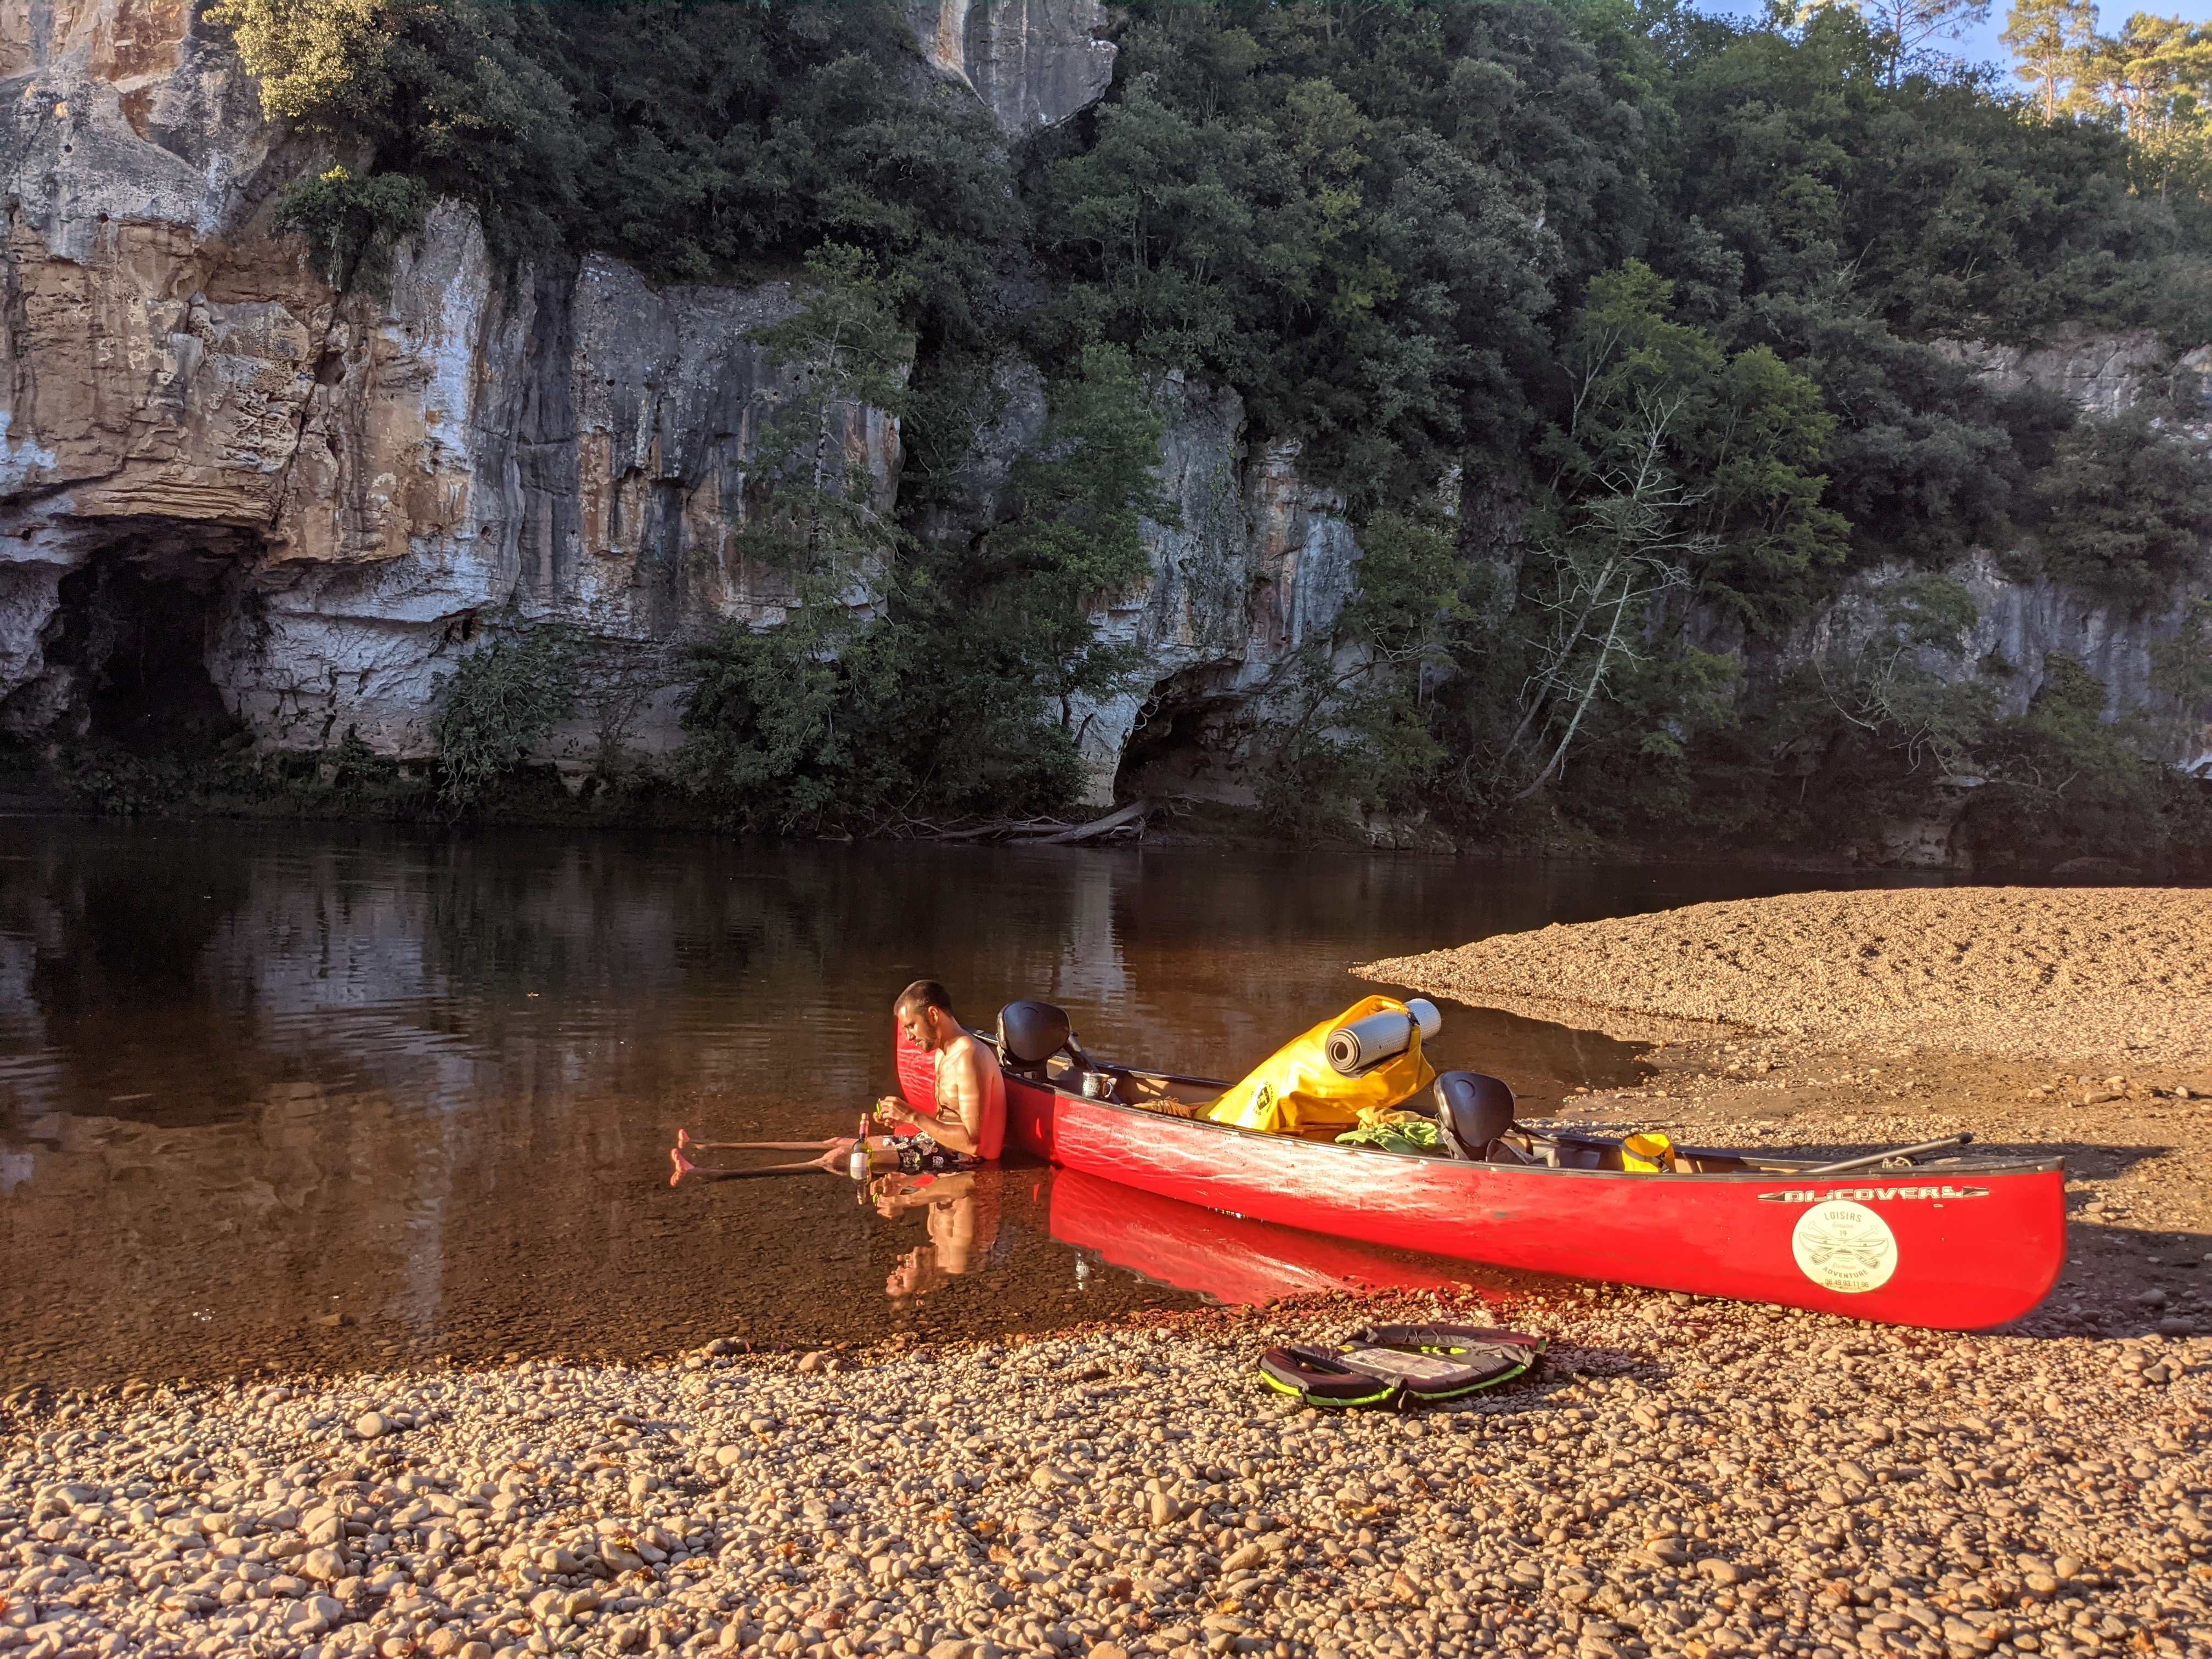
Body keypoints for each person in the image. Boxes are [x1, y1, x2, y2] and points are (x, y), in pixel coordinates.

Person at [874, 979, 1006, 1161]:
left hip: (970, 1161)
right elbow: (948, 1119)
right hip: (941, 1147)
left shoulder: (969, 1057)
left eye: (911, 1026)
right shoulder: (943, 1053)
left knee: (847, 1158)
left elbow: (974, 1145)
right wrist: (902, 1116)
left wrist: (912, 1116)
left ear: (933, 1015)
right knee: (839, 1144)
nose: (909, 1036)